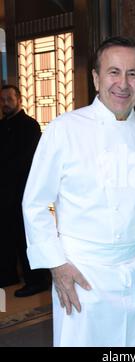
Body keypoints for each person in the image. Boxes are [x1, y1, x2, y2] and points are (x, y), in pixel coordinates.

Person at [22, 37, 135, 347]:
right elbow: (34, 203)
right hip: (84, 275)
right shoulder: (64, 129)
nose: (123, 84)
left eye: (133, 74)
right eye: (114, 72)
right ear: (97, 78)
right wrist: (57, 266)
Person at [0, 85, 49, 296]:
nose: (4, 103)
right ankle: (8, 274)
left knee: (25, 237)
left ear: (19, 99)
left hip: (23, 190)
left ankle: (37, 280)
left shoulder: (30, 126)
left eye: (8, 99)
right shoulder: (1, 125)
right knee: (5, 236)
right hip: (4, 191)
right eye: (1, 100)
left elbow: (28, 159)